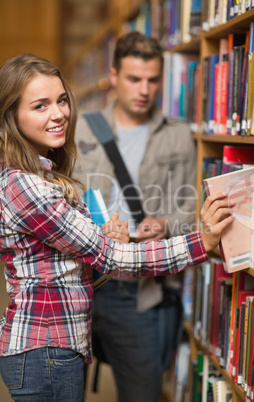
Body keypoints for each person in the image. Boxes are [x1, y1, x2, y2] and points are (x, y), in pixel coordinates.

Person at [0, 52, 233, 402]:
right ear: (11, 117)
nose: (59, 113)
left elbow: (72, 259)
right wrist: (202, 242)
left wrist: (102, 238)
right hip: (44, 346)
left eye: (62, 100)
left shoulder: (40, 174)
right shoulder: (25, 186)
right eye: (40, 106)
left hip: (54, 344)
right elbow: (111, 257)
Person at [74, 32, 207, 401]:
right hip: (81, 283)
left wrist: (165, 224)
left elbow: (191, 209)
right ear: (114, 75)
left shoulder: (178, 135)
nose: (144, 89)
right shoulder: (81, 128)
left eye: (152, 79)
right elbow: (64, 197)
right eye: (134, 78)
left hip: (139, 293)